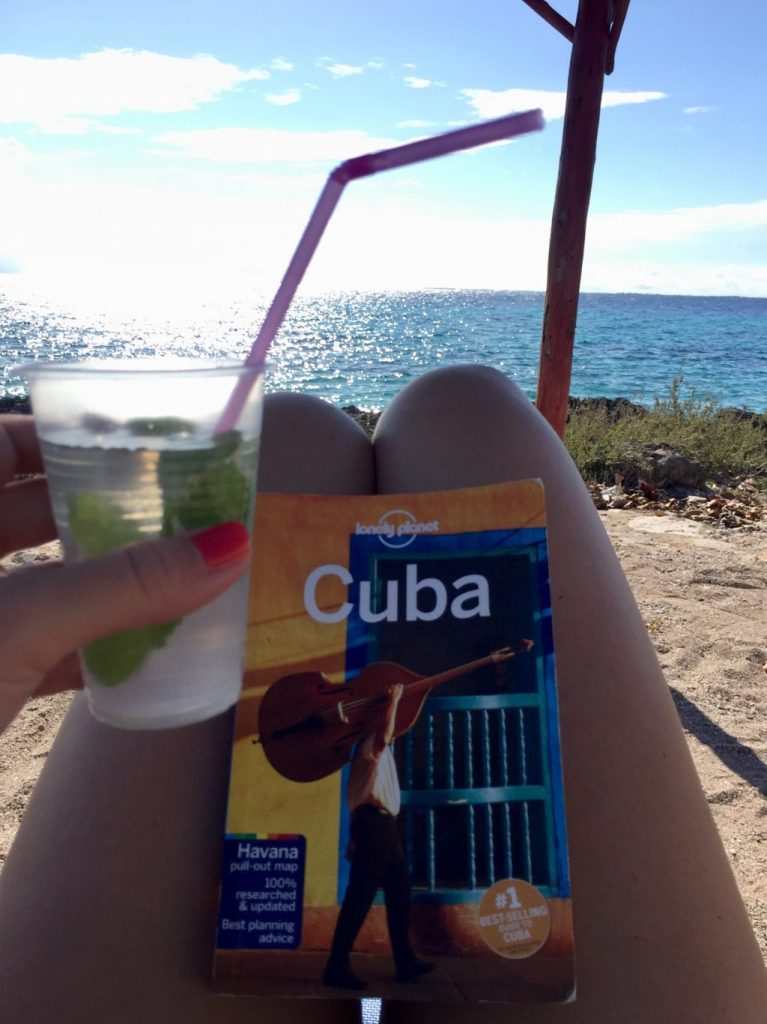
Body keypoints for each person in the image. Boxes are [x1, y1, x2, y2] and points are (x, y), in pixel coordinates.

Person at [0, 365, 765, 1023]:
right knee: (467, 404)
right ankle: (378, 959)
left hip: (371, 814)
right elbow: (367, 764)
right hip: (374, 816)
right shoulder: (368, 751)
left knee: (289, 426)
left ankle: (371, 960)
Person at [323, 682, 435, 990]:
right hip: (374, 827)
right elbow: (385, 734)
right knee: (360, 897)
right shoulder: (370, 742)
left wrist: (352, 835)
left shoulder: (378, 750)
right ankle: (336, 966)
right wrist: (394, 700)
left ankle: (405, 963)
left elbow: (356, 796)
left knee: (400, 891)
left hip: (380, 827)